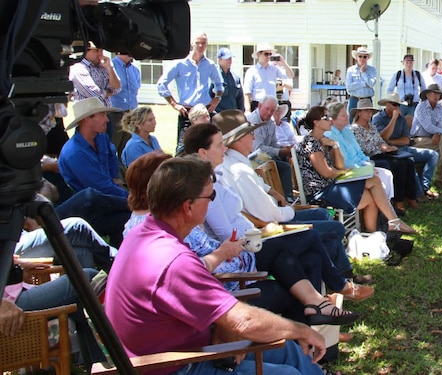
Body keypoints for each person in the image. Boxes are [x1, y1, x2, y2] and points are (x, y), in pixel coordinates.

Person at [104, 156, 332, 375]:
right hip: (175, 365)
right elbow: (244, 321)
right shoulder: (171, 259)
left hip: (190, 349)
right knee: (287, 371)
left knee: (289, 350)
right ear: (188, 207)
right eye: (210, 196)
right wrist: (300, 330)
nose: (213, 201)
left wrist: (225, 329)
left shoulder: (144, 235)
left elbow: (216, 310)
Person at [204, 117, 369, 295]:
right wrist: (290, 208)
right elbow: (268, 214)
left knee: (323, 219)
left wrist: (271, 191)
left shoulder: (234, 164)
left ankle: (337, 278)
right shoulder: (237, 170)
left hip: (264, 224)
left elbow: (252, 191)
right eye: (250, 133)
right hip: (266, 227)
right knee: (332, 229)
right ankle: (338, 280)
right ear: (237, 140)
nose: (254, 137)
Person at [296, 106, 416, 234]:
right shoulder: (310, 142)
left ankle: (377, 232)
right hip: (320, 192)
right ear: (316, 122)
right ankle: (388, 225)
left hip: (332, 184)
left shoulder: (323, 141)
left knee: (373, 187)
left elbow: (340, 165)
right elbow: (326, 172)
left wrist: (335, 146)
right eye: (326, 118)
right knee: (372, 187)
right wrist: (346, 173)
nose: (330, 120)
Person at [351, 98, 419, 212]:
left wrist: (387, 147)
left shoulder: (371, 126)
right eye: (366, 111)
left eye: (370, 111)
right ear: (359, 112)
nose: (369, 113)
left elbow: (380, 140)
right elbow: (364, 148)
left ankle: (411, 196)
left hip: (381, 153)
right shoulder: (354, 129)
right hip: (368, 158)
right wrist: (383, 148)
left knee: (408, 162)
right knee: (397, 165)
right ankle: (398, 200)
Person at [157, 31, 224, 146]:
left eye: (203, 43)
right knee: (183, 147)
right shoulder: (180, 64)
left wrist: (217, 98)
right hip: (187, 111)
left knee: (209, 145)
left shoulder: (210, 65)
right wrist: (174, 104)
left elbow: (220, 84)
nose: (200, 46)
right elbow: (161, 84)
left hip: (205, 111)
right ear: (192, 43)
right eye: (198, 42)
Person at [372, 93, 440, 199]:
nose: (396, 107)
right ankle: (418, 194)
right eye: (394, 104)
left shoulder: (402, 119)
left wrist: (391, 141)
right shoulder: (378, 118)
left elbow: (406, 140)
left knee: (433, 155)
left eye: (398, 105)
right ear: (386, 104)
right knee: (409, 161)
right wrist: (393, 119)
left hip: (403, 148)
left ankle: (424, 187)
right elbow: (383, 137)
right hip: (389, 152)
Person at [325, 101, 395, 202]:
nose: (346, 117)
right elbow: (344, 163)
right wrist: (364, 169)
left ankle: (386, 205)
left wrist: (368, 165)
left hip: (360, 166)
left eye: (346, 114)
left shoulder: (347, 131)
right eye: (343, 115)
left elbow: (359, 152)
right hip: (348, 171)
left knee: (387, 174)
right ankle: (382, 208)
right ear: (333, 119)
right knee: (378, 176)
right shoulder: (330, 135)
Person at [58, 98, 126, 199]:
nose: (107, 119)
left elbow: (112, 158)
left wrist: (115, 177)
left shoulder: (102, 137)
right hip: (92, 205)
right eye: (102, 115)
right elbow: (101, 188)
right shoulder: (75, 153)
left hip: (109, 195)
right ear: (87, 119)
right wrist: (133, 200)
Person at [410, 84, 442, 190]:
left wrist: (438, 134)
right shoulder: (421, 107)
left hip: (433, 138)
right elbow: (428, 127)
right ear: (427, 95)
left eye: (438, 94)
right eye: (433, 93)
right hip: (418, 139)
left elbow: (439, 126)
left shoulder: (440, 108)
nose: (435, 96)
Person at [247, 95, 294, 189]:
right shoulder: (253, 121)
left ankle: (283, 193)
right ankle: (287, 197)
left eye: (272, 110)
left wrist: (284, 148)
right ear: (260, 106)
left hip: (263, 156)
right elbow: (257, 149)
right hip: (252, 158)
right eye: (267, 109)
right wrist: (280, 151)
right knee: (284, 167)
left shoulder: (270, 122)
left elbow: (273, 143)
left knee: (287, 158)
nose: (269, 113)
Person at [244, 42, 293, 111]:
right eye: (266, 54)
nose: (268, 57)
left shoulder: (274, 68)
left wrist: (283, 62)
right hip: (258, 105)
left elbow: (290, 75)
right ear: (259, 54)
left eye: (270, 54)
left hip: (272, 105)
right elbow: (247, 93)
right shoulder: (251, 71)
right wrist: (247, 110)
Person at [110, 51, 141, 152]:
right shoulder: (110, 67)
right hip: (115, 114)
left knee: (127, 149)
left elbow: (135, 91)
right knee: (112, 146)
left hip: (131, 114)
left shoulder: (135, 70)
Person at [345, 46, 377, 115]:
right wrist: (364, 84)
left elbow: (371, 84)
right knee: (352, 122)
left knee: (368, 123)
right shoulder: (351, 70)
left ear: (367, 58)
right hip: (354, 100)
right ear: (356, 57)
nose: (362, 58)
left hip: (367, 100)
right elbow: (349, 87)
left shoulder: (372, 70)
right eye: (360, 56)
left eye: (364, 57)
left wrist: (363, 72)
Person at [214, 47, 245, 113]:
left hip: (234, 116)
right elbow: (209, 97)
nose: (229, 61)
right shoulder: (214, 76)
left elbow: (240, 98)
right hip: (219, 116)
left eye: (230, 58)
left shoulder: (236, 77)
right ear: (219, 60)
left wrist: (241, 113)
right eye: (226, 59)